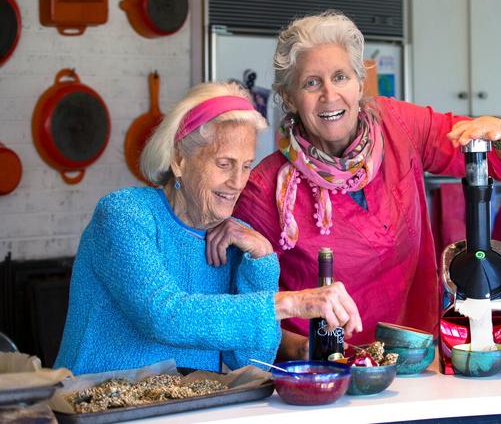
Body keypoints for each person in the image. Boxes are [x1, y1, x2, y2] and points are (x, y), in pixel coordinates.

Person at [206, 12, 501, 358]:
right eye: (311, 83)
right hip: (326, 374)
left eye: (340, 77)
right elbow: (241, 314)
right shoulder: (265, 191)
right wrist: (305, 349)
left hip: (418, 359)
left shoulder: (399, 125)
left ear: (359, 82)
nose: (329, 94)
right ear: (289, 98)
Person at [54, 82, 361, 375]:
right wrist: (291, 302)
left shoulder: (234, 238)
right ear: (178, 160)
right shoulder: (124, 215)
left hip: (187, 410)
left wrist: (263, 260)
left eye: (245, 165)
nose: (238, 182)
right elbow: (164, 316)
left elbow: (250, 364)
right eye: (224, 163)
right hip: (96, 407)